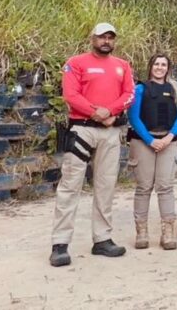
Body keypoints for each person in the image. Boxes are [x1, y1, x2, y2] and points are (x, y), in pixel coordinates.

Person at [49, 22, 135, 267]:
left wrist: (111, 111)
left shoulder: (123, 66)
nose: (106, 41)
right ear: (92, 38)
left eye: (110, 37)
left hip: (110, 130)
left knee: (106, 185)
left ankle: (102, 239)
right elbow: (70, 94)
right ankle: (60, 243)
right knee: (70, 185)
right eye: (102, 37)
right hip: (81, 129)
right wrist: (97, 113)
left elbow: (129, 94)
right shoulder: (76, 63)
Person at [128, 53, 177, 250]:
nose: (160, 67)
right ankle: (142, 232)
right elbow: (134, 117)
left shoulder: (175, 89)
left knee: (165, 186)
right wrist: (150, 140)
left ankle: (167, 232)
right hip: (144, 141)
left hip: (168, 141)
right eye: (156, 64)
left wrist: (171, 136)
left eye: (163, 64)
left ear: (168, 68)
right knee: (144, 187)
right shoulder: (140, 89)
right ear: (150, 66)